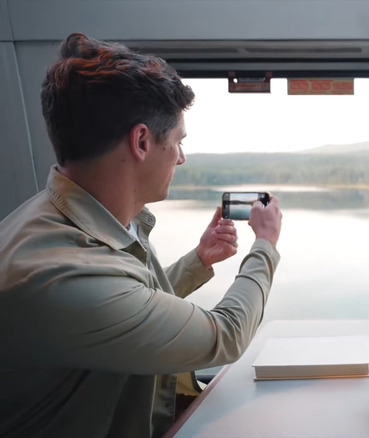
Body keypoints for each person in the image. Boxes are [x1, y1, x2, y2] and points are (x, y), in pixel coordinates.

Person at [0, 33, 282, 437]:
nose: (181, 157)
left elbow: (127, 301)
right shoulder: (55, 275)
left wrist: (198, 261)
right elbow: (225, 336)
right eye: (179, 141)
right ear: (142, 141)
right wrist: (265, 245)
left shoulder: (89, 222)